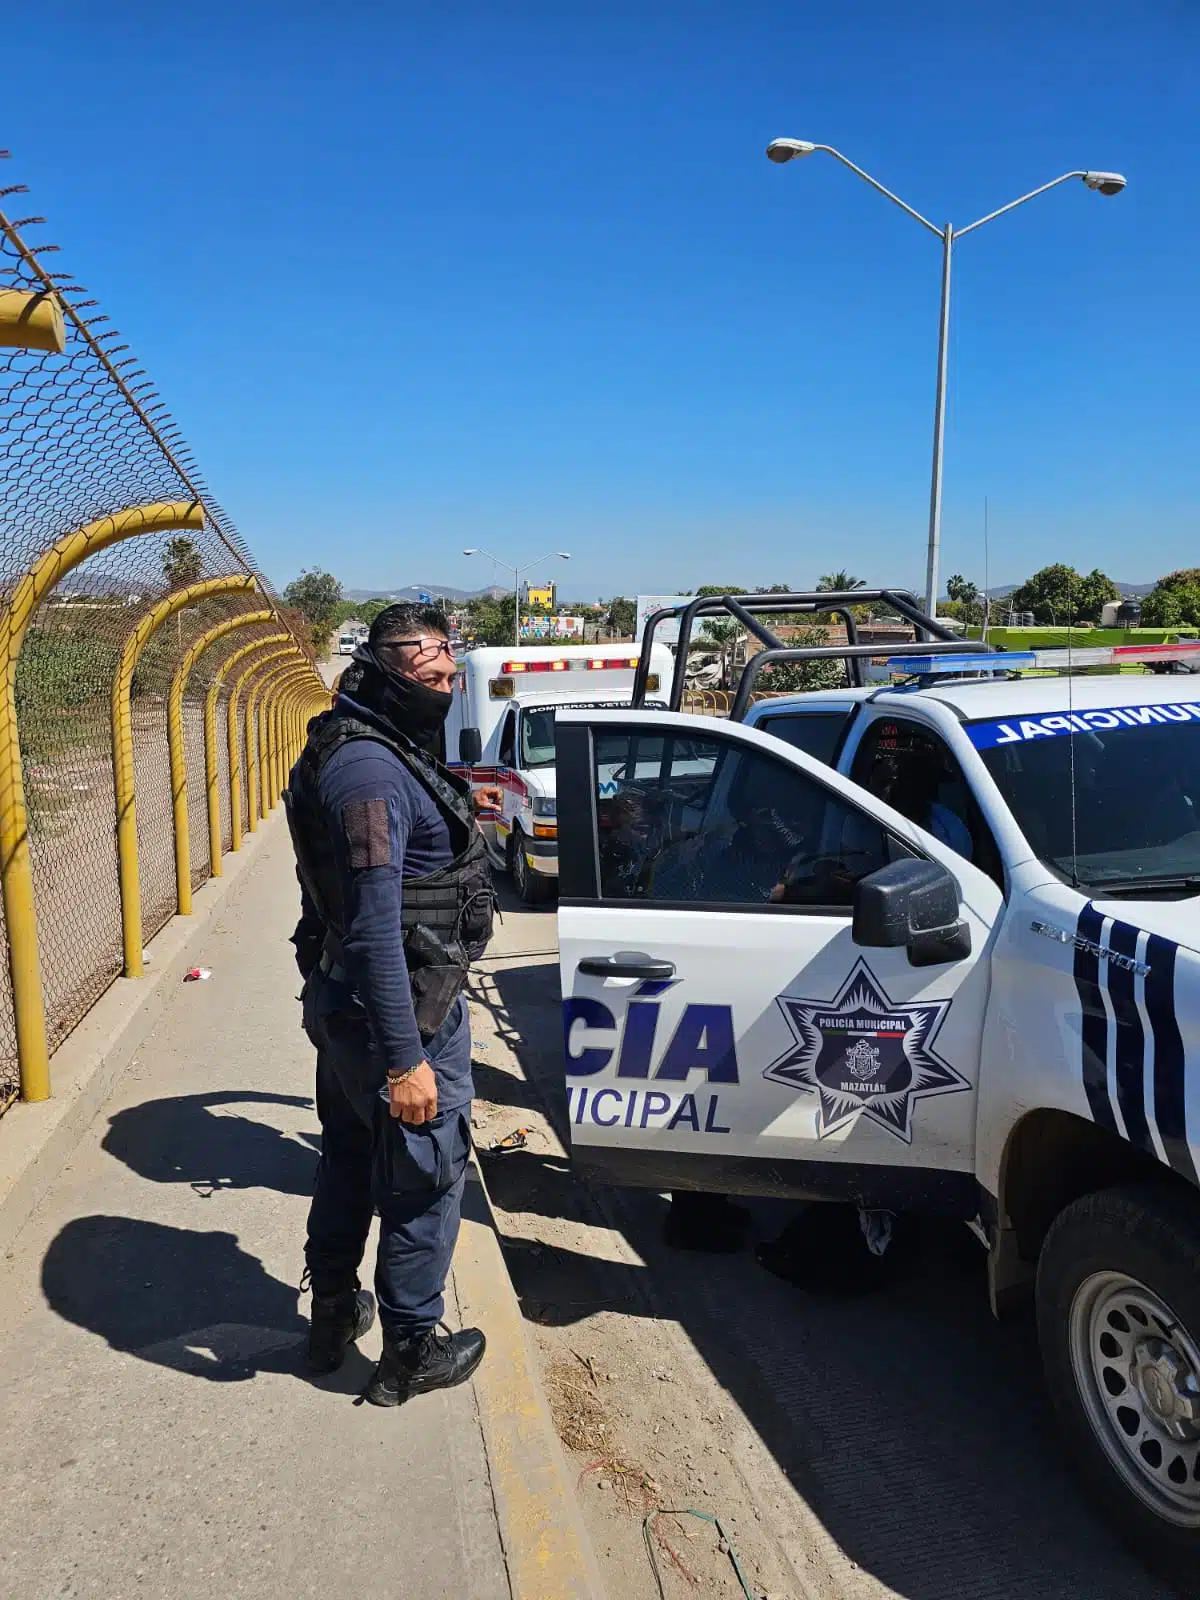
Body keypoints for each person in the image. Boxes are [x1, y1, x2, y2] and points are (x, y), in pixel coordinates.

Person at [285, 603, 503, 1405]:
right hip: (402, 1015)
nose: (446, 689)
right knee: (423, 1177)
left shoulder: (360, 747)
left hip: (351, 1007)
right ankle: (411, 1350)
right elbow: (377, 929)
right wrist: (409, 1060)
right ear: (383, 673)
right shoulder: (369, 775)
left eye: (452, 675)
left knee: (347, 1154)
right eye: (433, 677)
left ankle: (334, 1317)